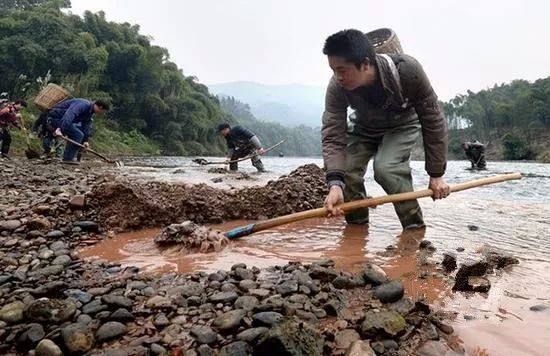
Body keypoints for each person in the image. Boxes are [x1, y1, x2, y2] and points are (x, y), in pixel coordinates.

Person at [321, 29, 450, 230]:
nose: (337, 77)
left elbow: (433, 120)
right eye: (333, 70)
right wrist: (336, 184)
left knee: (386, 168)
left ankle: (414, 228)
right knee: (347, 172)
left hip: (402, 124)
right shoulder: (337, 87)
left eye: (342, 70)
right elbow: (333, 134)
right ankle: (356, 231)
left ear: (365, 63)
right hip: (364, 127)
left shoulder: (408, 71)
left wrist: (436, 174)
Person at [47, 98, 109, 164]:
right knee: (78, 134)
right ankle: (68, 158)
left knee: (79, 134)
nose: (102, 114)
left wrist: (85, 141)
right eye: (103, 111)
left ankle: (70, 157)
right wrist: (60, 129)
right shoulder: (83, 104)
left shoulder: (89, 113)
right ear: (100, 108)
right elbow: (70, 114)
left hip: (64, 122)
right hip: (54, 118)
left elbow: (86, 127)